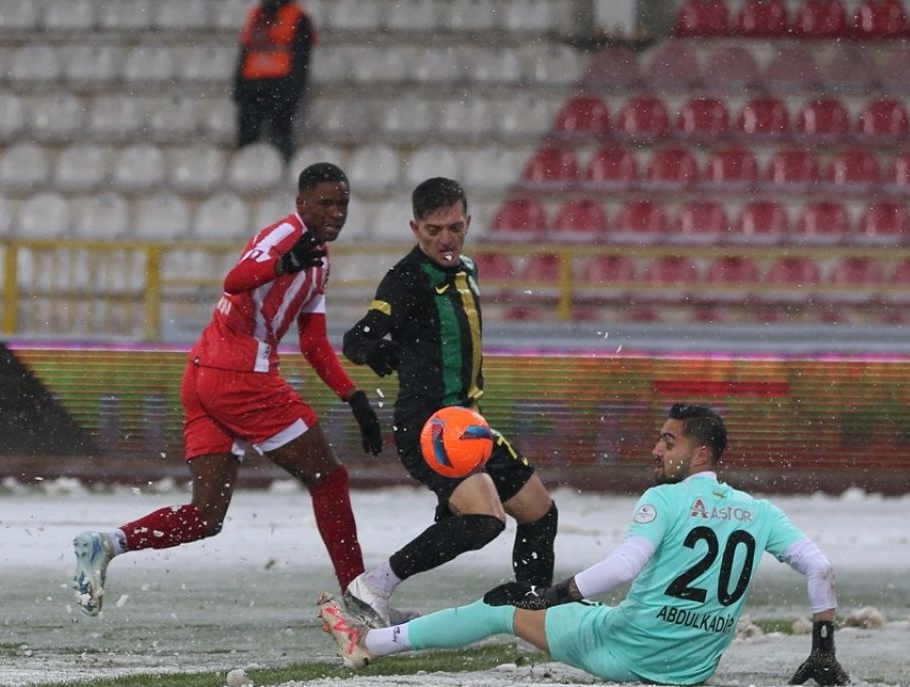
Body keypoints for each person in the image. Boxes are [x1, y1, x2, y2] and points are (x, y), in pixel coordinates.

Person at [318, 404, 850, 687]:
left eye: (669, 441)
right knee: (595, 607)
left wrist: (548, 596)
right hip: (692, 667)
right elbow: (818, 565)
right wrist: (822, 648)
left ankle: (366, 645)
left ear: (702, 450)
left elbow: (623, 565)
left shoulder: (662, 500)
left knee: (499, 609)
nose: (656, 449)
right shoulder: (759, 511)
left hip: (630, 652)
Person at [72, 162, 383, 616]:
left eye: (343, 204)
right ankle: (361, 602)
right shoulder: (285, 237)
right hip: (240, 377)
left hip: (204, 373)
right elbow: (234, 279)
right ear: (302, 204)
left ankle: (107, 544)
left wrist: (353, 397)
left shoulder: (317, 262)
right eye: (326, 203)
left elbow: (313, 341)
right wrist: (283, 263)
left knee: (205, 517)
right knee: (329, 479)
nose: (336, 212)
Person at [338, 177, 559, 628]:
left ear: (468, 223)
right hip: (430, 425)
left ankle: (533, 614)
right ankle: (374, 585)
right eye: (434, 230)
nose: (446, 239)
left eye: (455, 228)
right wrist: (374, 349)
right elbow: (355, 339)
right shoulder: (406, 279)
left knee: (540, 513)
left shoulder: (467, 269)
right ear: (415, 229)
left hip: (468, 422)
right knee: (485, 520)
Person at [233, 0, 314, 163]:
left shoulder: (297, 16)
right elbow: (245, 50)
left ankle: (281, 169)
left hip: (281, 83)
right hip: (252, 83)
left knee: (280, 134)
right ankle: (248, 168)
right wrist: (239, 85)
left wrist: (294, 87)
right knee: (248, 135)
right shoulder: (255, 14)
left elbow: (302, 56)